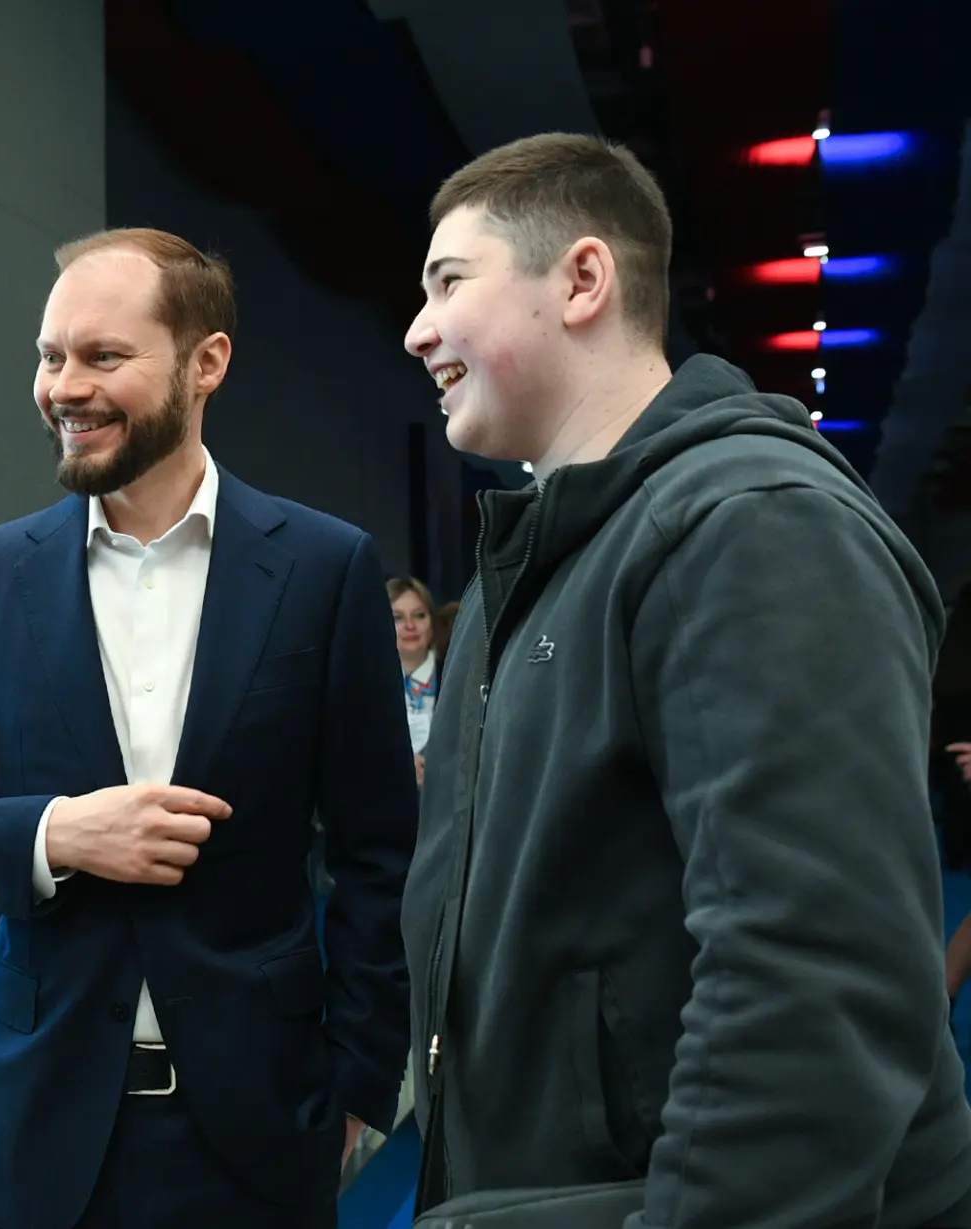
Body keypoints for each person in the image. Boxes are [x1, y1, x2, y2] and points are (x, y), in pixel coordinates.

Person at [401, 132, 971, 1227]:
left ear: (583, 279)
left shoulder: (753, 526)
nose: (418, 328)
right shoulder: (531, 572)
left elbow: (812, 980)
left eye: (449, 282)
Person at [0, 227, 417, 1229]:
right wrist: (56, 832)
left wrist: (361, 1084)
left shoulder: (322, 570)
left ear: (207, 363)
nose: (64, 387)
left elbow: (381, 853)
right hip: (42, 1127)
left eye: (103, 355)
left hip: (261, 1128)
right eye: (50, 355)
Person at [388, 576, 439, 788]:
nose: (410, 626)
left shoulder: (458, 678)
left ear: (432, 623)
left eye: (419, 615)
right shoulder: (367, 688)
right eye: (398, 618)